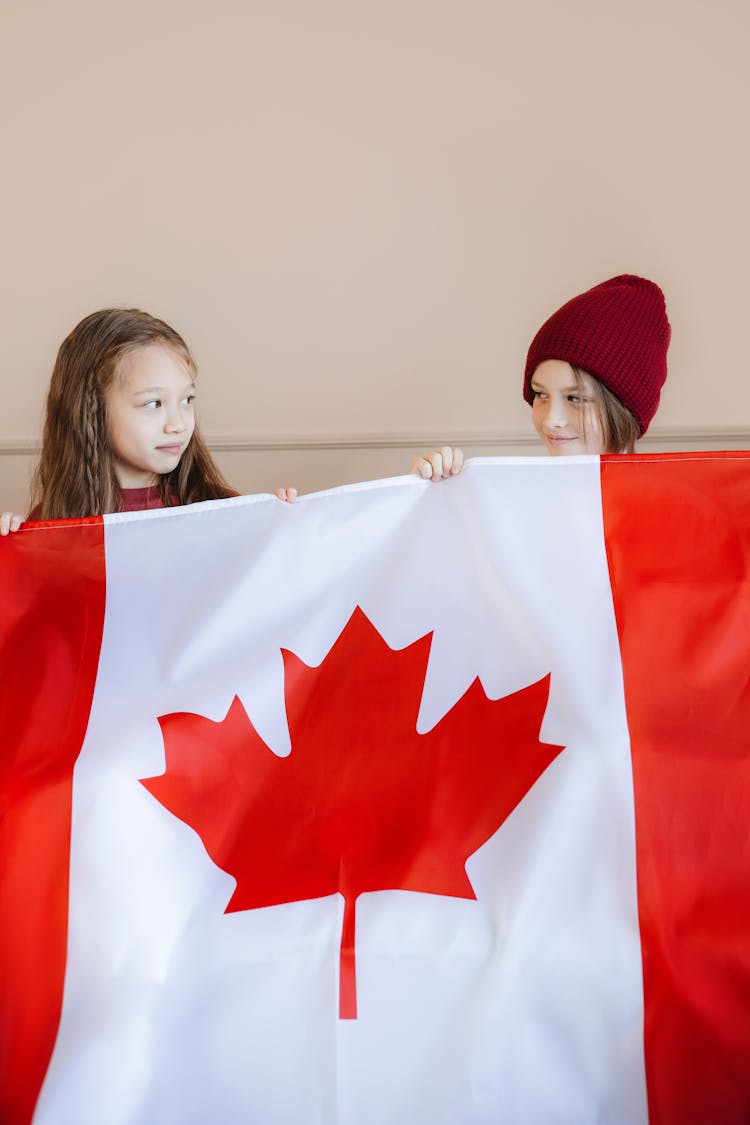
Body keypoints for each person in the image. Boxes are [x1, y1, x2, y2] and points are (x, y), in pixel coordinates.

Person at [0, 308, 296, 533]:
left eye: (186, 400)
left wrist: (282, 522)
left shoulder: (218, 509)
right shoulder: (56, 522)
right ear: (92, 411)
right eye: (154, 403)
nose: (178, 424)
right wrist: (18, 542)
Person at [410, 274, 671, 479]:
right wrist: (427, 496)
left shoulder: (672, 511)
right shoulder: (517, 501)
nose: (550, 420)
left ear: (625, 409)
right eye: (540, 394)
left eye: (575, 398)